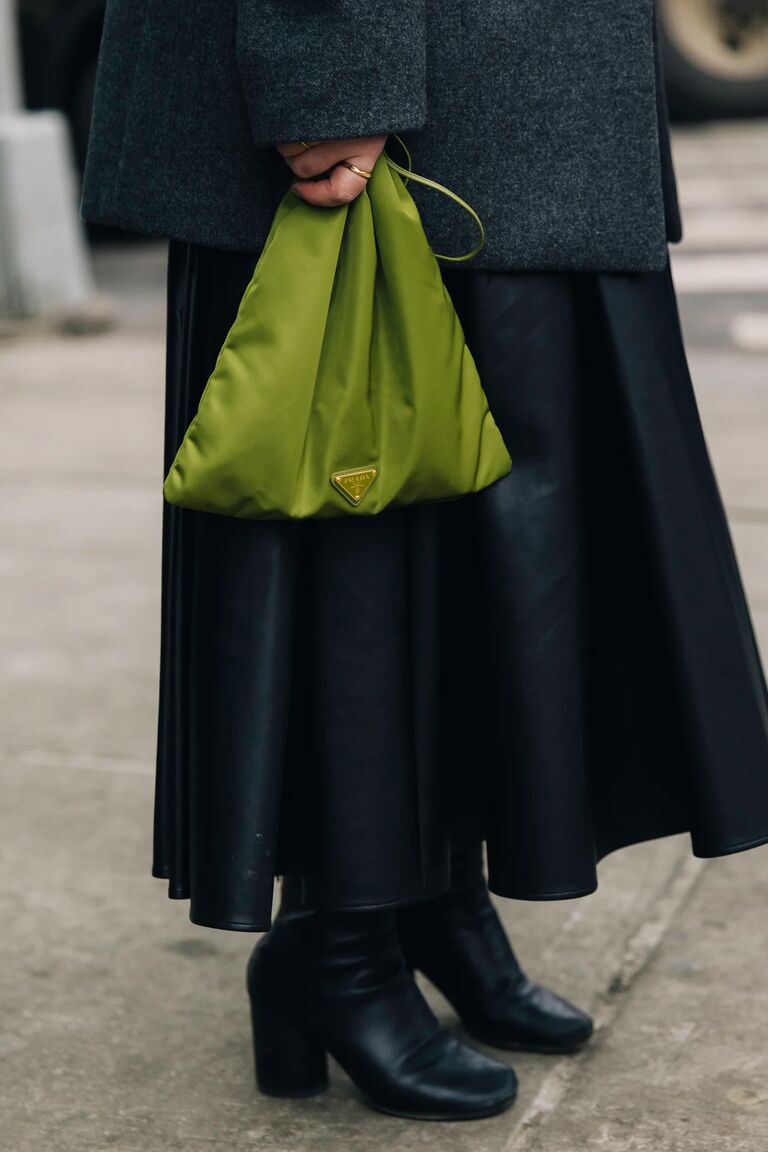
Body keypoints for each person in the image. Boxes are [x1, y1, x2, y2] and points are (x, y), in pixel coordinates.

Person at [81, 0, 768, 1124]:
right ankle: (338, 944)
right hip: (420, 106)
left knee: (475, 558)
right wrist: (328, 79)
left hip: (498, 100)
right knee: (366, 543)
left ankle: (425, 892)